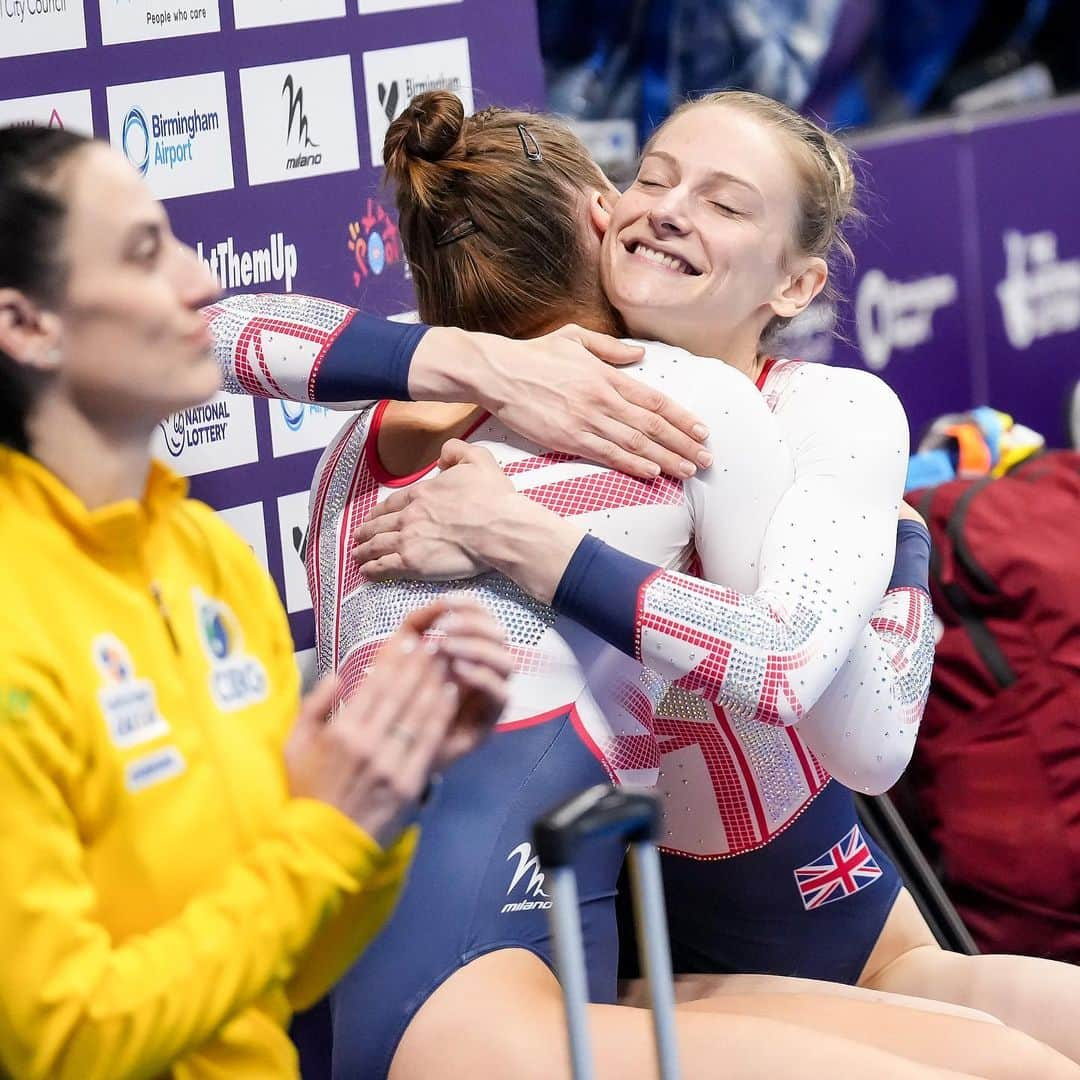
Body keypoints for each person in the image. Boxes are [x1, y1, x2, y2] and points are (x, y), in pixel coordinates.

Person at [206, 96, 1072, 1078]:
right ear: (598, 212)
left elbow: (856, 733)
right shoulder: (672, 406)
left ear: (798, 283)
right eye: (654, 179)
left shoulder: (367, 437)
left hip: (645, 914)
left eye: (725, 204)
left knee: (992, 1048)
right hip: (564, 938)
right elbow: (816, 697)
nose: (669, 209)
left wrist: (516, 511)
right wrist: (906, 556)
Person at [0, 124, 514, 1080]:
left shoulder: (203, 556)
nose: (201, 282)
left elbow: (289, 966)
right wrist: (324, 835)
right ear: (27, 325)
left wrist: (383, 800)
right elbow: (59, 1038)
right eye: (146, 252)